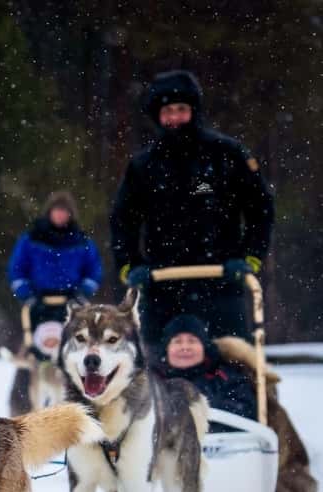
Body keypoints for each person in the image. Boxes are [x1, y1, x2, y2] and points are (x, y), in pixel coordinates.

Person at [111, 70, 275, 359]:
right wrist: (130, 265)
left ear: (194, 111)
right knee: (160, 370)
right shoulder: (143, 165)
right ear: (157, 116)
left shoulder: (227, 154)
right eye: (168, 111)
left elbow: (260, 209)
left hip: (222, 282)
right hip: (163, 285)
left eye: (181, 110)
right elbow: (123, 220)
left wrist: (250, 256)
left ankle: (240, 405)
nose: (174, 118)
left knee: (234, 364)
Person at [158, 314, 318, 492]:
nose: (185, 347)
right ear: (166, 348)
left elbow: (244, 409)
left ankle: (286, 479)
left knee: (272, 413)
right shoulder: (154, 381)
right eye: (177, 341)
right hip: (170, 458)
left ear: (205, 346)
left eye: (192, 340)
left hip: (230, 456)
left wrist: (203, 411)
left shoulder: (226, 375)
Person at [7, 190, 103, 334]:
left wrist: (84, 292)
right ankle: (35, 352)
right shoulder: (32, 238)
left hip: (72, 299)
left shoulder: (82, 241)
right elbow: (17, 268)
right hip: (38, 299)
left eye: (64, 211)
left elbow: (94, 270)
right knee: (38, 337)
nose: (60, 215)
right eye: (57, 210)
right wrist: (25, 293)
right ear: (49, 212)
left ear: (70, 214)